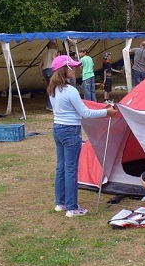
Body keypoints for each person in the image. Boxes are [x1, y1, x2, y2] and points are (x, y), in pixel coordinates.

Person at [47, 55, 117, 217]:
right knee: (71, 169)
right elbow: (85, 113)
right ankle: (72, 208)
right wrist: (107, 112)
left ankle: (61, 203)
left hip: (58, 129)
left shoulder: (52, 90)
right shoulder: (70, 91)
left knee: (61, 167)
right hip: (71, 131)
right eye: (73, 67)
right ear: (64, 70)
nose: (76, 69)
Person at [39, 41, 58, 110]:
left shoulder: (44, 53)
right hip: (51, 69)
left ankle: (49, 105)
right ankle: (51, 106)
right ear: (50, 45)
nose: (55, 45)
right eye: (54, 44)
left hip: (45, 71)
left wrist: (42, 76)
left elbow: (40, 65)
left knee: (49, 88)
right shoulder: (54, 50)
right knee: (54, 87)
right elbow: (53, 58)